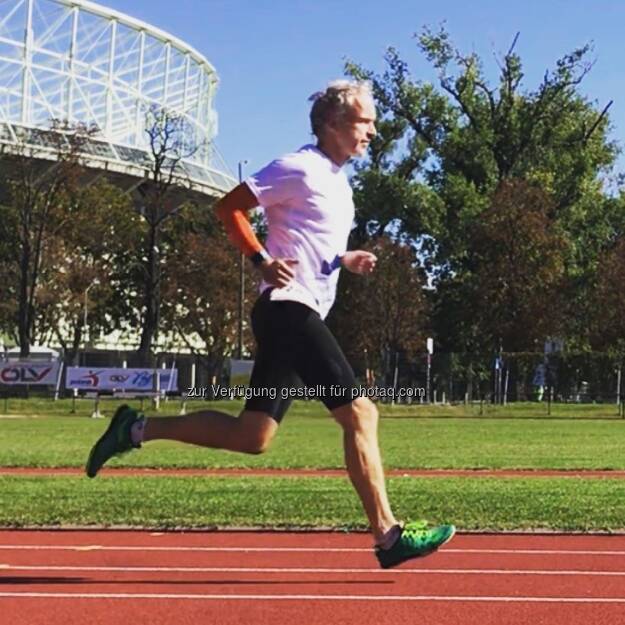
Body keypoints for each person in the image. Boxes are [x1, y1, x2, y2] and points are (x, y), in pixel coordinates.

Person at [85, 80, 455, 569]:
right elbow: (229, 206)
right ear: (333, 124)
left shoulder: (337, 181)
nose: (372, 131)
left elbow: (309, 242)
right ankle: (389, 535)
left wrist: (343, 259)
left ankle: (135, 429)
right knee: (361, 413)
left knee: (253, 435)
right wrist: (260, 259)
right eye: (365, 121)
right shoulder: (297, 167)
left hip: (295, 311)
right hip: (287, 309)